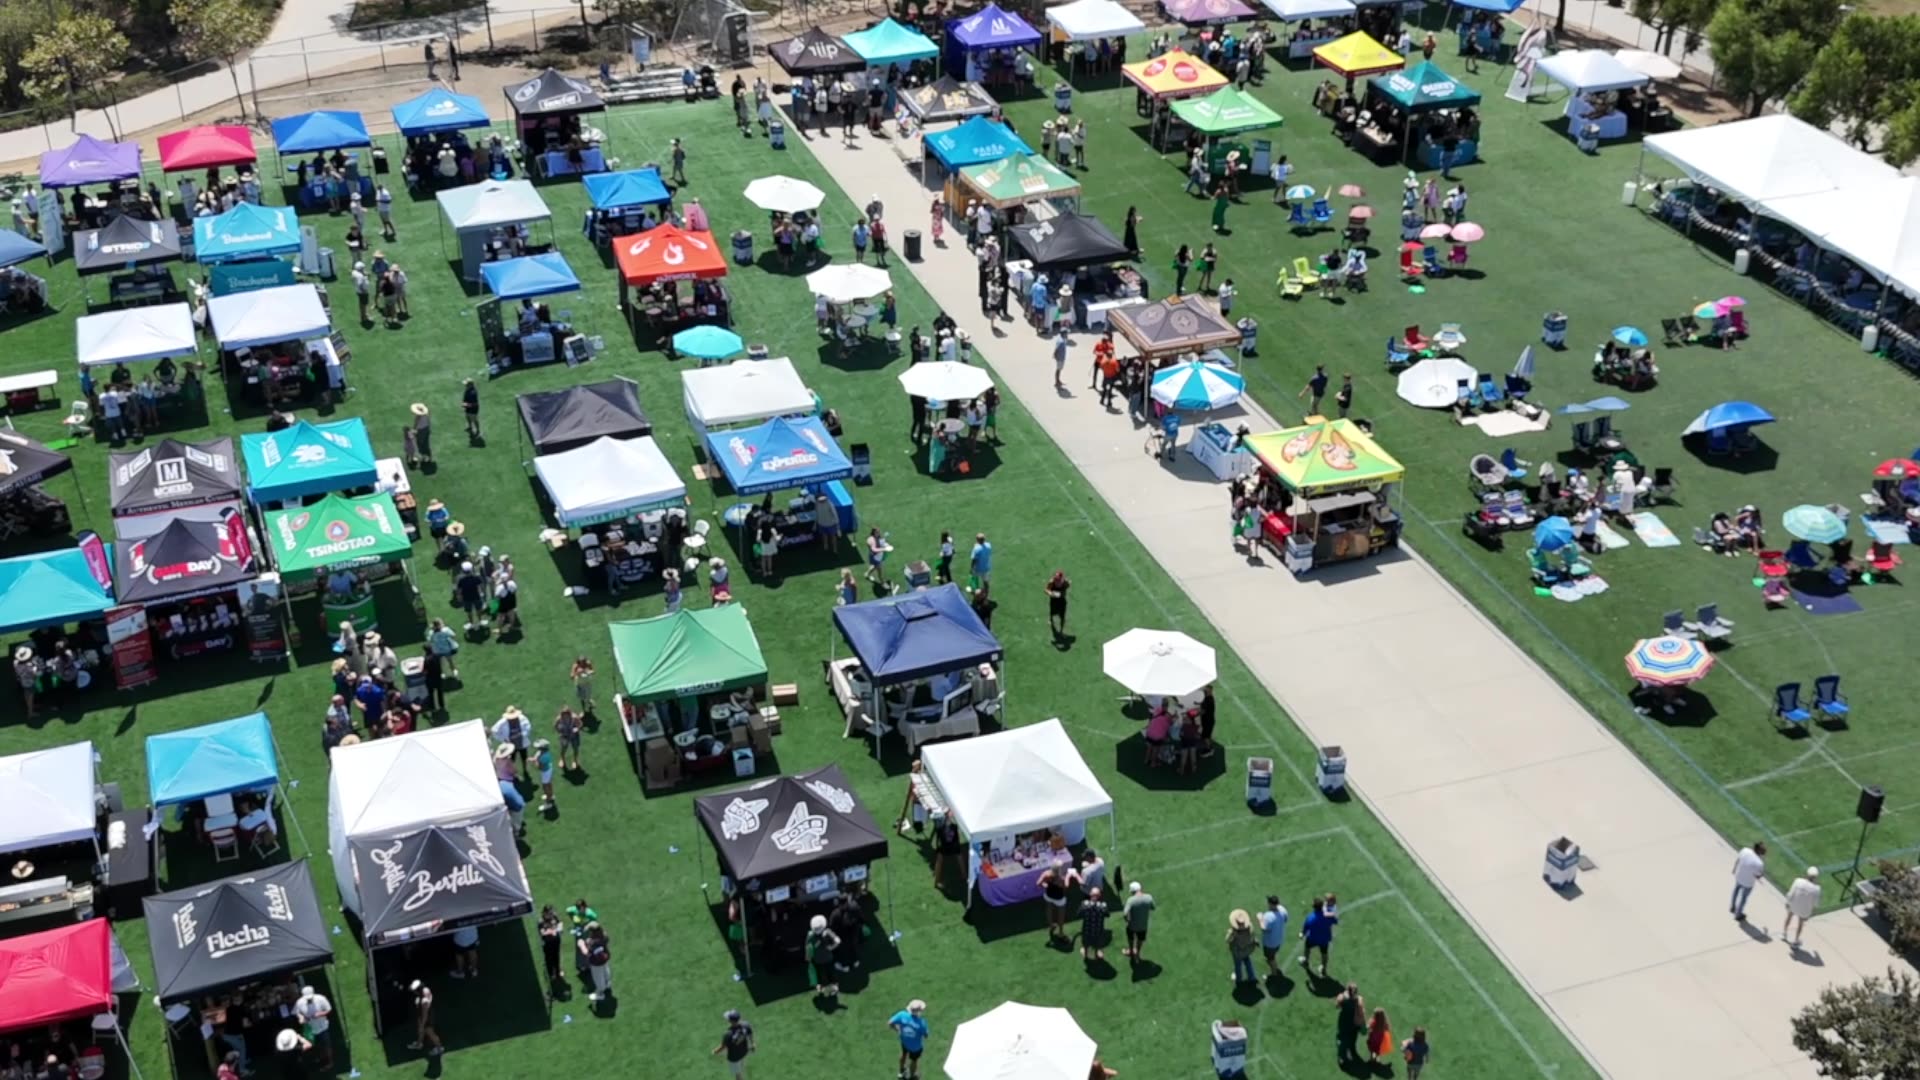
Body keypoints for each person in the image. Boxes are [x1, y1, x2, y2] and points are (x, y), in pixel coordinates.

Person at [294, 984, 333, 1070]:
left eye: (310, 998)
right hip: (310, 1029)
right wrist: (301, 1017)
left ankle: (330, 1062)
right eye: (307, 998)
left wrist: (320, 1014)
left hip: (323, 1027)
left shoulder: (321, 999)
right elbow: (297, 1012)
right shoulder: (299, 1002)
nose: (309, 999)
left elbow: (329, 1009)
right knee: (315, 1046)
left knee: (326, 1045)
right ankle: (321, 1058)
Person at [890, 1000, 930, 1079]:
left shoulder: (902, 1015)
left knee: (903, 1054)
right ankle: (912, 1076)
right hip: (916, 1047)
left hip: (904, 1041)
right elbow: (926, 1035)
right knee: (914, 1060)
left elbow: (890, 1023)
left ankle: (901, 1071)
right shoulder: (921, 1023)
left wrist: (898, 1030)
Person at [1783, 866, 1820, 946]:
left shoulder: (1798, 881)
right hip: (1804, 910)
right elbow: (1815, 903)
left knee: (1789, 917)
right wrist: (1811, 912)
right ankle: (1796, 940)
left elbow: (1791, 893)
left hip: (1794, 905)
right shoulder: (1817, 889)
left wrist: (1787, 902)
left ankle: (1784, 933)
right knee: (1800, 924)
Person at [492, 705, 533, 778]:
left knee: (524, 757)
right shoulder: (502, 722)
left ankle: (525, 769)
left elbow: (528, 727)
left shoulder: (522, 719)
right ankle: (513, 772)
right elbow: (494, 731)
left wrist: (523, 735)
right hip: (510, 745)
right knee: (511, 760)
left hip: (521, 743)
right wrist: (503, 739)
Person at [806, 915, 841, 998]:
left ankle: (821, 987)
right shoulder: (827, 932)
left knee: (820, 974)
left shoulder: (810, 935)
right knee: (831, 973)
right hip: (828, 958)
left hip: (817, 960)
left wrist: (808, 958)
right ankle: (834, 988)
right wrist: (831, 948)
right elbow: (838, 941)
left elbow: (808, 948)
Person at [1731, 840, 1767, 921]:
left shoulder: (1745, 850)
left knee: (1736, 891)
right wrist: (1762, 874)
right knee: (1743, 898)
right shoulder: (1759, 863)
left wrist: (1734, 868)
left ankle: (1732, 907)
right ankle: (1738, 914)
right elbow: (1758, 876)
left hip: (1739, 875)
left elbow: (1738, 859)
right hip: (1748, 883)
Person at [1301, 895, 1337, 976]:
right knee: (1324, 953)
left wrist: (1302, 934)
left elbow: (1305, 928)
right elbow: (1335, 921)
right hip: (1324, 939)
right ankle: (1323, 968)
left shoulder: (1310, 917)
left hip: (1313, 938)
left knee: (1307, 948)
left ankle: (1306, 961)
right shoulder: (1328, 916)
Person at [714, 1009, 755, 1078]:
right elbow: (750, 1033)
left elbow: (723, 1047)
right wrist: (753, 1043)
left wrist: (714, 1051)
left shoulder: (728, 1034)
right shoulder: (746, 1024)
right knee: (741, 1064)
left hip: (734, 1058)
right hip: (744, 1052)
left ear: (731, 1021)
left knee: (737, 1074)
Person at [1039, 863, 1074, 939]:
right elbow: (1066, 886)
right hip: (1059, 899)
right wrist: (1068, 876)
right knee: (1061, 915)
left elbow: (1039, 883)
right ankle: (1060, 932)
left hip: (1048, 896)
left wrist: (1047, 886)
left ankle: (1051, 925)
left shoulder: (1046, 874)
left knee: (1049, 909)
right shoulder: (1061, 879)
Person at [1122, 881, 1155, 961]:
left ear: (1132, 891)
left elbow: (1125, 914)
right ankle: (1137, 953)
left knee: (1131, 938)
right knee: (1140, 939)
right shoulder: (1148, 897)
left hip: (1132, 925)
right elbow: (1153, 907)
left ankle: (1131, 951)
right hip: (1143, 925)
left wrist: (1127, 920)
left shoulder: (1131, 900)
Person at [408, 980, 443, 1055]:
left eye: (414, 991)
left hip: (427, 1018)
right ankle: (419, 1044)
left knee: (430, 1033)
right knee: (420, 1030)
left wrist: (422, 1025)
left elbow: (425, 1015)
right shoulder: (425, 989)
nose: (413, 992)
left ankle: (439, 1048)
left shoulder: (424, 1001)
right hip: (423, 1013)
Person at [1258, 894, 1289, 977]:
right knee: (1272, 954)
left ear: (1271, 904)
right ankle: (1272, 962)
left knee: (1271, 958)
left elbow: (1264, 929)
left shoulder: (1268, 916)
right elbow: (1285, 919)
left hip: (1270, 943)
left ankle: (1274, 973)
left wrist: (1260, 918)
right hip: (1278, 940)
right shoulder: (1283, 910)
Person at [1335, 983, 1365, 1067]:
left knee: (1342, 1038)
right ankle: (1352, 1050)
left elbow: (1337, 1006)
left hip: (1344, 1021)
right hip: (1355, 1023)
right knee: (1353, 1037)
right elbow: (1361, 1012)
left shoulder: (1343, 998)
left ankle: (1342, 1058)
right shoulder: (1359, 999)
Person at [581, 921, 613, 1002]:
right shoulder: (604, 935)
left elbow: (587, 953)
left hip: (596, 963)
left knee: (598, 979)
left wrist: (581, 945)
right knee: (606, 971)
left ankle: (600, 994)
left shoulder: (592, 942)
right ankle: (607, 984)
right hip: (605, 958)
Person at [1077, 886, 1110, 961]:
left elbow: (1078, 914)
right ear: (1099, 896)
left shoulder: (1084, 905)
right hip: (1098, 930)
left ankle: (1085, 953)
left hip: (1087, 930)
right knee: (1098, 943)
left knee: (1085, 942)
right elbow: (1107, 915)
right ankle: (1097, 954)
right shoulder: (1103, 906)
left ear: (1090, 894)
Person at [1227, 909, 1258, 984]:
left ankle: (1239, 979)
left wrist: (1230, 933)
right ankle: (1252, 977)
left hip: (1237, 951)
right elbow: (1252, 937)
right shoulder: (1250, 928)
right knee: (1248, 962)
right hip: (1247, 950)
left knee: (1238, 965)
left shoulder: (1233, 932)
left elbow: (1227, 940)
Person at [538, 905, 565, 988]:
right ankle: (551, 973)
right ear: (545, 913)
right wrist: (550, 932)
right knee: (549, 958)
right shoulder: (541, 921)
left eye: (552, 912)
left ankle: (557, 971)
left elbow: (560, 923)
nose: (551, 914)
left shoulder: (554, 916)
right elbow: (542, 933)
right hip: (547, 943)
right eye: (549, 913)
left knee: (556, 956)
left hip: (556, 941)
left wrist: (559, 928)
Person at [1045, 570, 1071, 636]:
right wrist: (1051, 593)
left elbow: (1068, 585)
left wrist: (1062, 593)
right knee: (1052, 612)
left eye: (1058, 579)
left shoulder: (1065, 582)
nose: (1057, 580)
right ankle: (1051, 619)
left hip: (1062, 601)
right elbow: (1046, 590)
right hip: (1053, 600)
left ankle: (1061, 630)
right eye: (1056, 578)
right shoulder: (1052, 582)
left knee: (1062, 616)